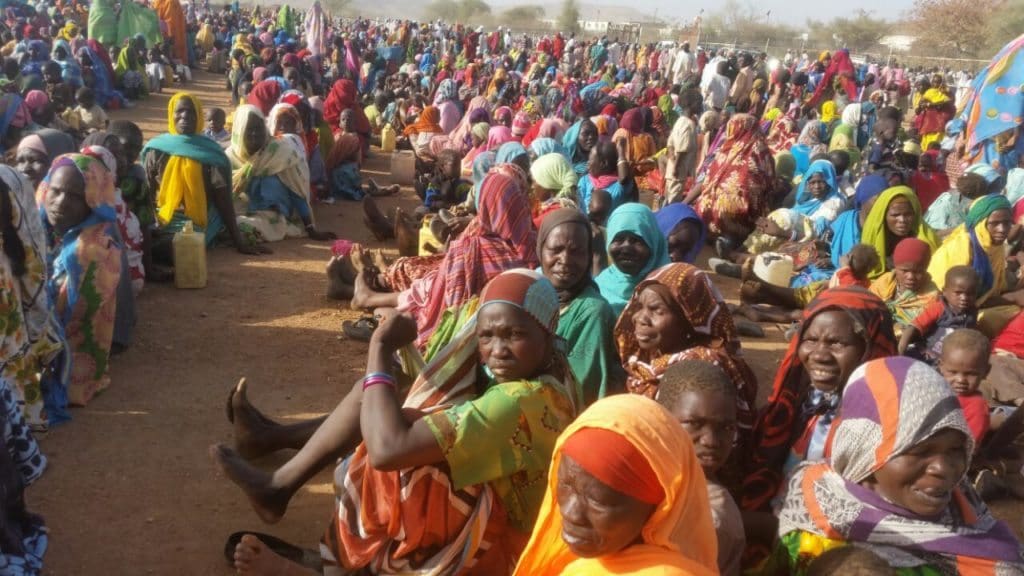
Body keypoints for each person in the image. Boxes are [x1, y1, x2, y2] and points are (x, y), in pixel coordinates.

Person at [216, 269, 580, 574]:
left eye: (514, 335)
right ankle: (280, 487)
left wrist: (379, 348)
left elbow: (387, 451)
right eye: (486, 336)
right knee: (388, 405)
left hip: (511, 555)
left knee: (408, 461)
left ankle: (350, 563)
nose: (498, 350)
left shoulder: (519, 402)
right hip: (515, 528)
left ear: (547, 335)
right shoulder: (554, 376)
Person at [773, 356, 1024, 574]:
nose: (943, 468)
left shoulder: (965, 505)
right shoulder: (816, 514)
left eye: (956, 449)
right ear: (865, 455)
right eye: (920, 452)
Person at [742, 287, 897, 555]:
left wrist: (767, 528)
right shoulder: (796, 405)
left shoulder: (885, 426)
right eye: (810, 339)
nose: (819, 354)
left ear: (870, 347)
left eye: (837, 343)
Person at [511, 394, 718, 576]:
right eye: (565, 484)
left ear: (658, 508)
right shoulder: (587, 558)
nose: (571, 512)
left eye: (597, 500)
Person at [615, 262, 758, 436]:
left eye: (656, 310)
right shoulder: (650, 355)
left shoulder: (703, 365)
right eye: (638, 307)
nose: (640, 318)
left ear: (688, 317)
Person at [37, 154, 122, 417]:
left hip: (66, 355)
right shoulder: (33, 230)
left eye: (75, 196)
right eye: (56, 191)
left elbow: (68, 321)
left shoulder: (96, 253)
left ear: (92, 203)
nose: (60, 202)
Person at [141, 93, 261, 259]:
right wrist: (149, 226)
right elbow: (147, 192)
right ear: (171, 114)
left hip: (200, 221)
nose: (185, 116)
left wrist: (238, 240)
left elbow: (223, 199)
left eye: (191, 112)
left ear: (198, 116)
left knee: (179, 248)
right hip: (163, 219)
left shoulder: (210, 153)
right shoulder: (156, 149)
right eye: (180, 111)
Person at [657, 360, 744, 576]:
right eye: (694, 424)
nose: (711, 441)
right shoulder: (658, 481)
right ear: (663, 418)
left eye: (726, 427)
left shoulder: (710, 519)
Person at [536, 209, 623, 404]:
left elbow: (582, 387)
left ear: (589, 256)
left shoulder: (592, 312)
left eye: (577, 252)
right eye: (556, 249)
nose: (565, 261)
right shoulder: (531, 291)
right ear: (540, 249)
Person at [226, 105, 334, 243]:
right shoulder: (229, 158)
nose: (255, 134)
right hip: (241, 213)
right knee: (235, 224)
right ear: (239, 132)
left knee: (248, 226)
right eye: (249, 129)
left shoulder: (279, 151)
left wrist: (310, 228)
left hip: (275, 218)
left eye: (258, 128)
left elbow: (296, 191)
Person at [689, 114, 773, 245]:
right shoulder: (762, 151)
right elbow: (769, 182)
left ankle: (711, 233)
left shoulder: (726, 148)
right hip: (742, 212)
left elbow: (706, 177)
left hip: (711, 209)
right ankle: (729, 239)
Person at [928, 194, 1015, 309]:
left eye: (1007, 223)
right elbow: (950, 298)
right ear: (980, 223)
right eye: (994, 223)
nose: (1002, 229)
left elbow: (997, 287)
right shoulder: (963, 246)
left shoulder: (994, 245)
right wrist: (1012, 298)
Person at [594, 203, 669, 317]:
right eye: (618, 239)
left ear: (654, 243)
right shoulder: (599, 286)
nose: (626, 249)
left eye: (637, 240)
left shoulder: (669, 290)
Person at [899, 265, 980, 361]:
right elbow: (914, 327)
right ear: (945, 292)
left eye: (970, 294)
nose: (964, 298)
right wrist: (901, 351)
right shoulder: (939, 308)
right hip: (926, 352)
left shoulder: (972, 312)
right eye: (958, 293)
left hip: (950, 359)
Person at [869, 237, 938, 328]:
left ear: (925, 270)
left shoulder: (930, 296)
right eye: (905, 271)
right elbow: (866, 306)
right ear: (896, 267)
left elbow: (921, 327)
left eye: (918, 272)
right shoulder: (884, 282)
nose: (910, 277)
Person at [939, 328, 992, 447]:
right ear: (941, 366)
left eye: (971, 374)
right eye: (953, 372)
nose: (961, 380)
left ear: (986, 371)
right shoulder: (934, 390)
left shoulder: (976, 408)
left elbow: (967, 447)